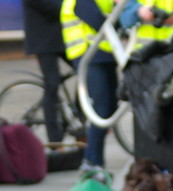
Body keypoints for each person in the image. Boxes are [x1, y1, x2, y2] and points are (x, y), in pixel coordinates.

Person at [60, 0, 116, 170]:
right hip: (88, 53)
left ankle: (92, 159)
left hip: (104, 53)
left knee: (109, 108)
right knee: (101, 108)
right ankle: (92, 161)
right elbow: (97, 21)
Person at [21, 0, 70, 145]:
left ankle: (79, 120)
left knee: (86, 72)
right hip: (43, 40)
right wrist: (73, 8)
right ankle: (54, 140)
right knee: (52, 84)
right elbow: (48, 5)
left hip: (64, 37)